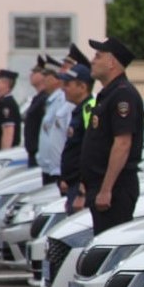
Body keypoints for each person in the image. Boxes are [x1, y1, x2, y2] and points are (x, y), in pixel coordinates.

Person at [79, 37, 144, 235]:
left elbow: (122, 143)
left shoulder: (123, 95)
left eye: (98, 56)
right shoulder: (109, 94)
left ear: (112, 62)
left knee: (110, 241)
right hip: (101, 185)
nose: (93, 61)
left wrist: (106, 189)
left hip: (116, 188)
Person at [57, 64, 95, 213]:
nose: (63, 88)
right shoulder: (80, 109)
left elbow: (90, 152)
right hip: (73, 184)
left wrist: (82, 190)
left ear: (82, 87)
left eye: (68, 84)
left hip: (81, 186)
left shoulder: (89, 110)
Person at [35, 63, 72, 186]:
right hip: (50, 167)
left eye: (47, 76)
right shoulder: (52, 99)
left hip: (58, 168)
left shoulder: (63, 99)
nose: (43, 79)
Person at [22, 57, 48, 168]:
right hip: (33, 152)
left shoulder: (46, 98)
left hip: (39, 152)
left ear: (43, 75)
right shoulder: (38, 98)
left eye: (35, 72)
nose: (31, 75)